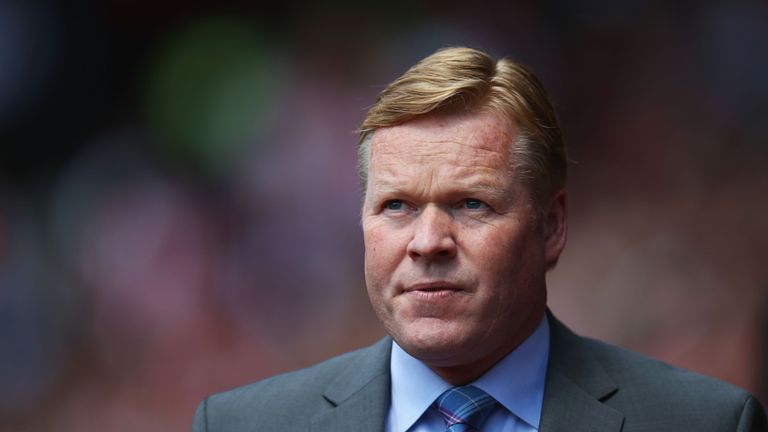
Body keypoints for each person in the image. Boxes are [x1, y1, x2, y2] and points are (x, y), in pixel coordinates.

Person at [191, 47, 767, 431]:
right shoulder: (242, 425)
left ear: (552, 226)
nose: (427, 242)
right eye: (397, 206)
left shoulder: (704, 423)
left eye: (471, 204)